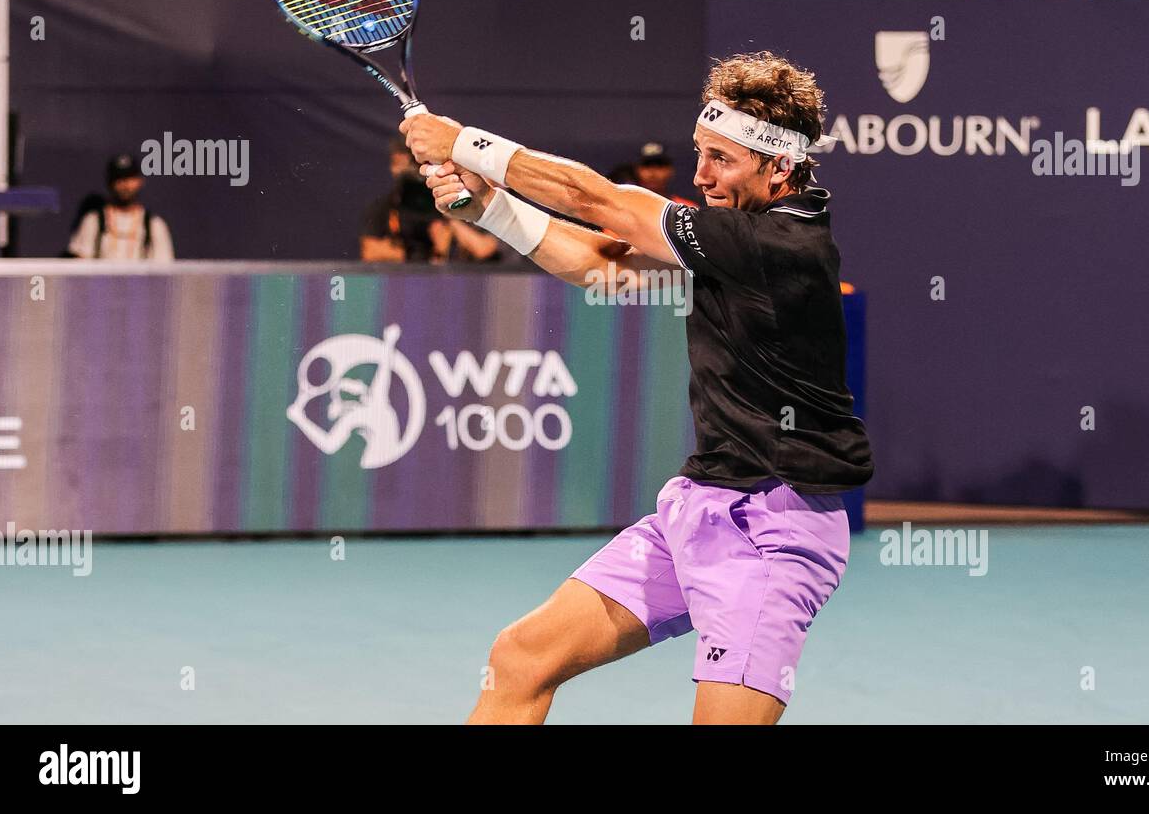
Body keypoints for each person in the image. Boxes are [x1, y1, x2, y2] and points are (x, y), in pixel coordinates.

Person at [403, 51, 874, 724]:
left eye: (723, 160)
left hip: (773, 529)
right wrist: (491, 208)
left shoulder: (781, 245)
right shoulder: (730, 236)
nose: (701, 175)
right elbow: (600, 264)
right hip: (698, 510)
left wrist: (463, 143)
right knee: (521, 659)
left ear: (780, 167)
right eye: (700, 153)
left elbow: (601, 203)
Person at [361, 137, 500, 264]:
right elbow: (370, 251)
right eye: (396, 164)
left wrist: (449, 220)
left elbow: (484, 249)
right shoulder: (387, 206)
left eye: (409, 166)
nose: (401, 172)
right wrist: (418, 256)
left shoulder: (455, 201)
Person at [67, 154, 174, 261]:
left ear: (140, 181)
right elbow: (80, 267)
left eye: (130, 178)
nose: (125, 185)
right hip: (101, 278)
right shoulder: (93, 221)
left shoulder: (154, 225)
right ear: (110, 183)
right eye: (119, 179)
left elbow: (164, 271)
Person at [634, 141, 699, 207]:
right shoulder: (625, 207)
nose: (652, 173)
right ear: (637, 170)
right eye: (647, 166)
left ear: (670, 171)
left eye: (659, 166)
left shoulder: (686, 209)